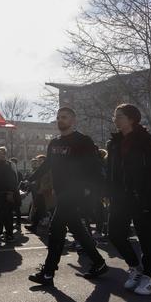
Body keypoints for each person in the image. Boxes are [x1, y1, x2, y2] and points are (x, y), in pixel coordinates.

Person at [28, 107, 108, 286]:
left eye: (64, 117)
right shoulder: (54, 142)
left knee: (56, 229)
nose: (60, 120)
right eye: (58, 117)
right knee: (77, 229)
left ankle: (48, 273)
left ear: (73, 120)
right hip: (61, 192)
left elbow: (94, 167)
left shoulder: (83, 141)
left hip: (75, 192)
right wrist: (30, 179)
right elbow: (47, 164)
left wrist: (93, 189)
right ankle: (99, 263)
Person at [106, 104, 151, 295]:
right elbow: (110, 172)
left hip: (142, 197)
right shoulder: (113, 143)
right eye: (115, 116)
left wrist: (149, 199)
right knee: (114, 233)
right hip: (119, 197)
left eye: (119, 116)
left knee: (147, 240)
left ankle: (148, 277)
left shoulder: (146, 141)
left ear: (131, 119)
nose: (115, 119)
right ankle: (135, 268)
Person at [0, 147, 18, 243]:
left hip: (6, 194)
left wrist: (10, 193)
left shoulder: (7, 165)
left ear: (2, 156)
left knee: (7, 216)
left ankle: (9, 234)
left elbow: (13, 180)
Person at [25, 155, 54, 232]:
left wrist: (44, 189)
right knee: (37, 209)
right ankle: (34, 226)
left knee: (50, 210)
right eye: (38, 161)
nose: (39, 162)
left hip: (47, 193)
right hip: (39, 192)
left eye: (41, 161)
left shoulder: (49, 170)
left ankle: (54, 227)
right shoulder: (38, 171)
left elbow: (52, 182)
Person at [9, 157, 23, 234]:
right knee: (11, 209)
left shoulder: (19, 173)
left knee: (17, 209)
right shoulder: (8, 171)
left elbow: (21, 183)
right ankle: (12, 224)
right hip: (12, 192)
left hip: (16, 192)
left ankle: (18, 223)